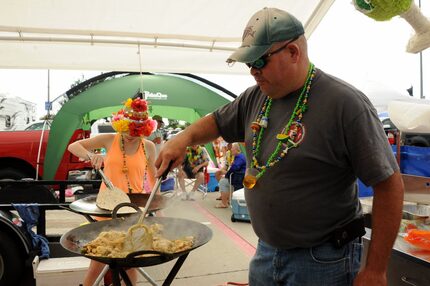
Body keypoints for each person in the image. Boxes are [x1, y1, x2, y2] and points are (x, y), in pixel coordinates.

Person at [155, 7, 404, 286]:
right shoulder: (256, 97)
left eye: (260, 61)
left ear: (294, 52)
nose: (253, 72)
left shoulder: (345, 104)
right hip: (266, 251)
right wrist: (183, 138)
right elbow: (216, 121)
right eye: (248, 64)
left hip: (323, 259)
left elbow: (389, 186)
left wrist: (375, 270)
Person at [68, 95, 157, 286]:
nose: (131, 135)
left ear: (145, 129)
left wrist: (157, 207)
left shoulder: (148, 146)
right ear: (121, 125)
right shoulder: (109, 139)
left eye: (137, 131)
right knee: (99, 257)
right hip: (107, 207)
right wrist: (91, 156)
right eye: (128, 130)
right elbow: (74, 146)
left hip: (134, 208)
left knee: (132, 259)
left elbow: (153, 177)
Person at [215, 142, 246, 208]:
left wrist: (227, 174)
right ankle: (226, 199)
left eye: (232, 149)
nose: (231, 149)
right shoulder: (239, 156)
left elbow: (234, 167)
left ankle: (224, 203)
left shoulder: (240, 157)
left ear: (237, 150)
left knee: (223, 182)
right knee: (222, 178)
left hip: (238, 179)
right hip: (237, 177)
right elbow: (231, 167)